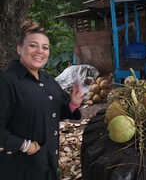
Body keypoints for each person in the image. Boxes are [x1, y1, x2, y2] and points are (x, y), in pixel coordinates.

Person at [0, 19, 84, 180]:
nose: (40, 51)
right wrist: (25, 145)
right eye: (33, 45)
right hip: (20, 168)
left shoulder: (48, 81)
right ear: (19, 49)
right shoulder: (7, 82)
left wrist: (73, 102)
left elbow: (60, 110)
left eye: (45, 47)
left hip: (48, 162)